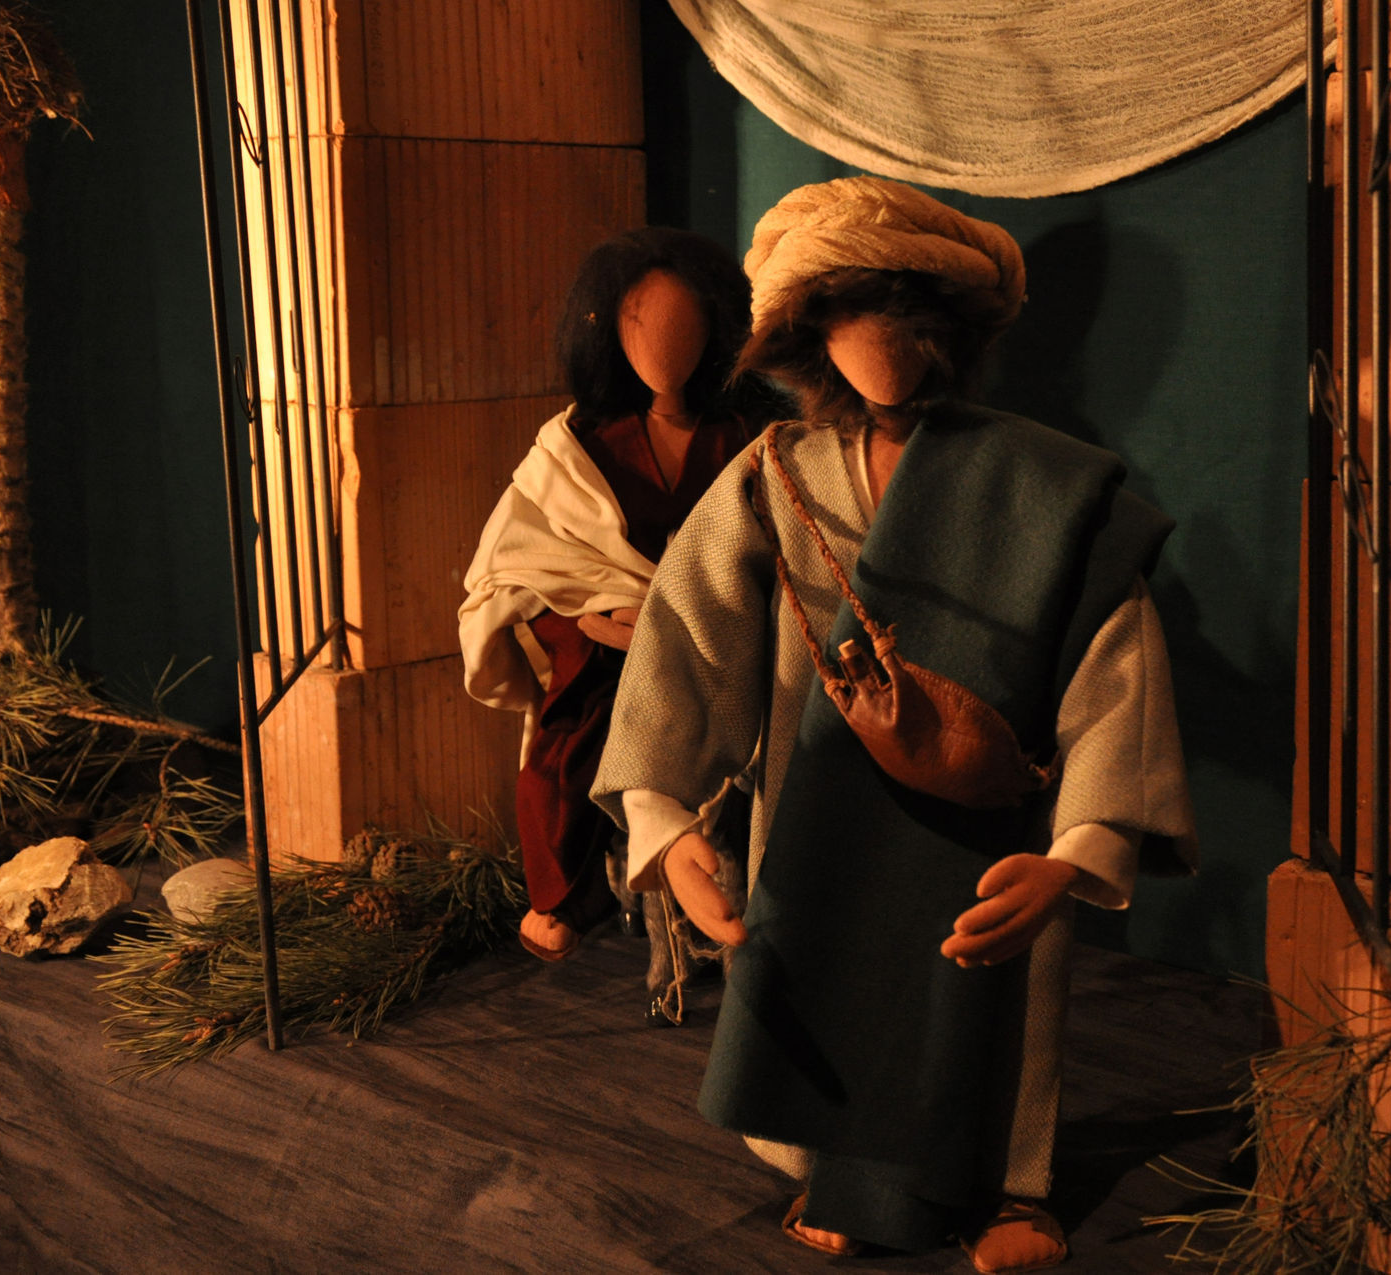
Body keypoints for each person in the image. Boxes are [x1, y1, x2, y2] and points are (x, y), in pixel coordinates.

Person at [592, 177, 1195, 1273]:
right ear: (807, 331)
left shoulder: (1043, 482)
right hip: (819, 791)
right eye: (849, 310)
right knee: (825, 965)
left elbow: (1116, 665)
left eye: (907, 311)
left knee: (995, 987)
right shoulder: (777, 475)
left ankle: (1009, 1187)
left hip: (991, 803)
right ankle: (840, 1166)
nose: (882, 339)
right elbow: (687, 635)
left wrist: (1080, 848)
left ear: (952, 327)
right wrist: (664, 818)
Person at [459, 226, 769, 967]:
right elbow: (525, 558)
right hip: (610, 642)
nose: (663, 347)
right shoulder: (579, 445)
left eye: (684, 326)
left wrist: (689, 617)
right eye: (639, 325)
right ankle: (566, 894)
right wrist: (586, 619)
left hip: (717, 631)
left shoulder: (745, 437)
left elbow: (768, 544)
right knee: (576, 729)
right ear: (605, 330)